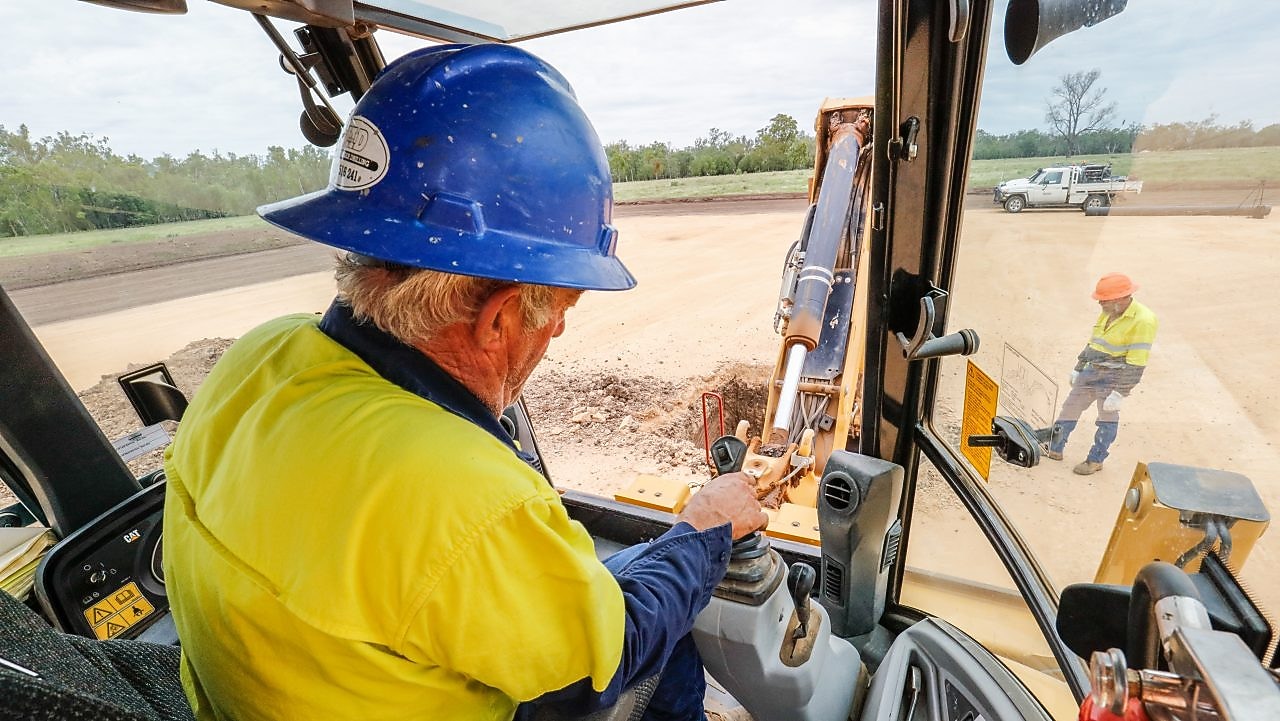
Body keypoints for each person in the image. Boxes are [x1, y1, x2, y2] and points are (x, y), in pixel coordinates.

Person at [161, 43, 768, 721]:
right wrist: (707, 525)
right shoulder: (462, 494)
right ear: (500, 317)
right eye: (561, 311)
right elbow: (603, 659)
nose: (558, 332)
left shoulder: (257, 357)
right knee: (664, 634)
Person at [1044, 272, 1157, 475]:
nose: (1100, 304)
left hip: (1114, 377)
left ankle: (1095, 460)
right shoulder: (1109, 311)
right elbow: (1094, 341)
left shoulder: (1143, 321)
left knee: (1107, 420)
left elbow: (1137, 362)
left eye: (1103, 300)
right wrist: (1079, 366)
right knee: (1069, 409)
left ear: (1121, 298)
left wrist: (1120, 393)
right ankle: (1054, 448)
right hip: (1092, 370)